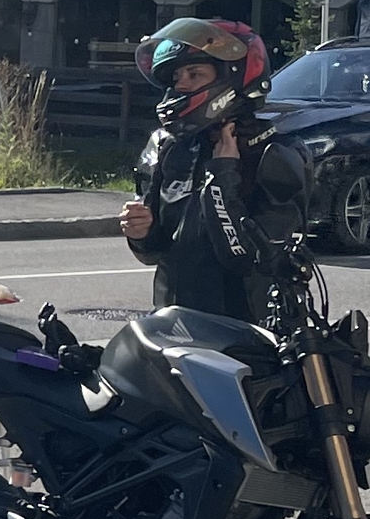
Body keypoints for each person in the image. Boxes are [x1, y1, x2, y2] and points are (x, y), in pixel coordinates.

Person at [120, 17, 309, 329]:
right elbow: (155, 250)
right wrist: (140, 233)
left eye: (194, 74)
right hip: (176, 324)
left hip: (250, 332)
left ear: (233, 78)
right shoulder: (169, 148)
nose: (181, 85)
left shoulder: (278, 154)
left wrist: (223, 175)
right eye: (176, 77)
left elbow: (249, 259)